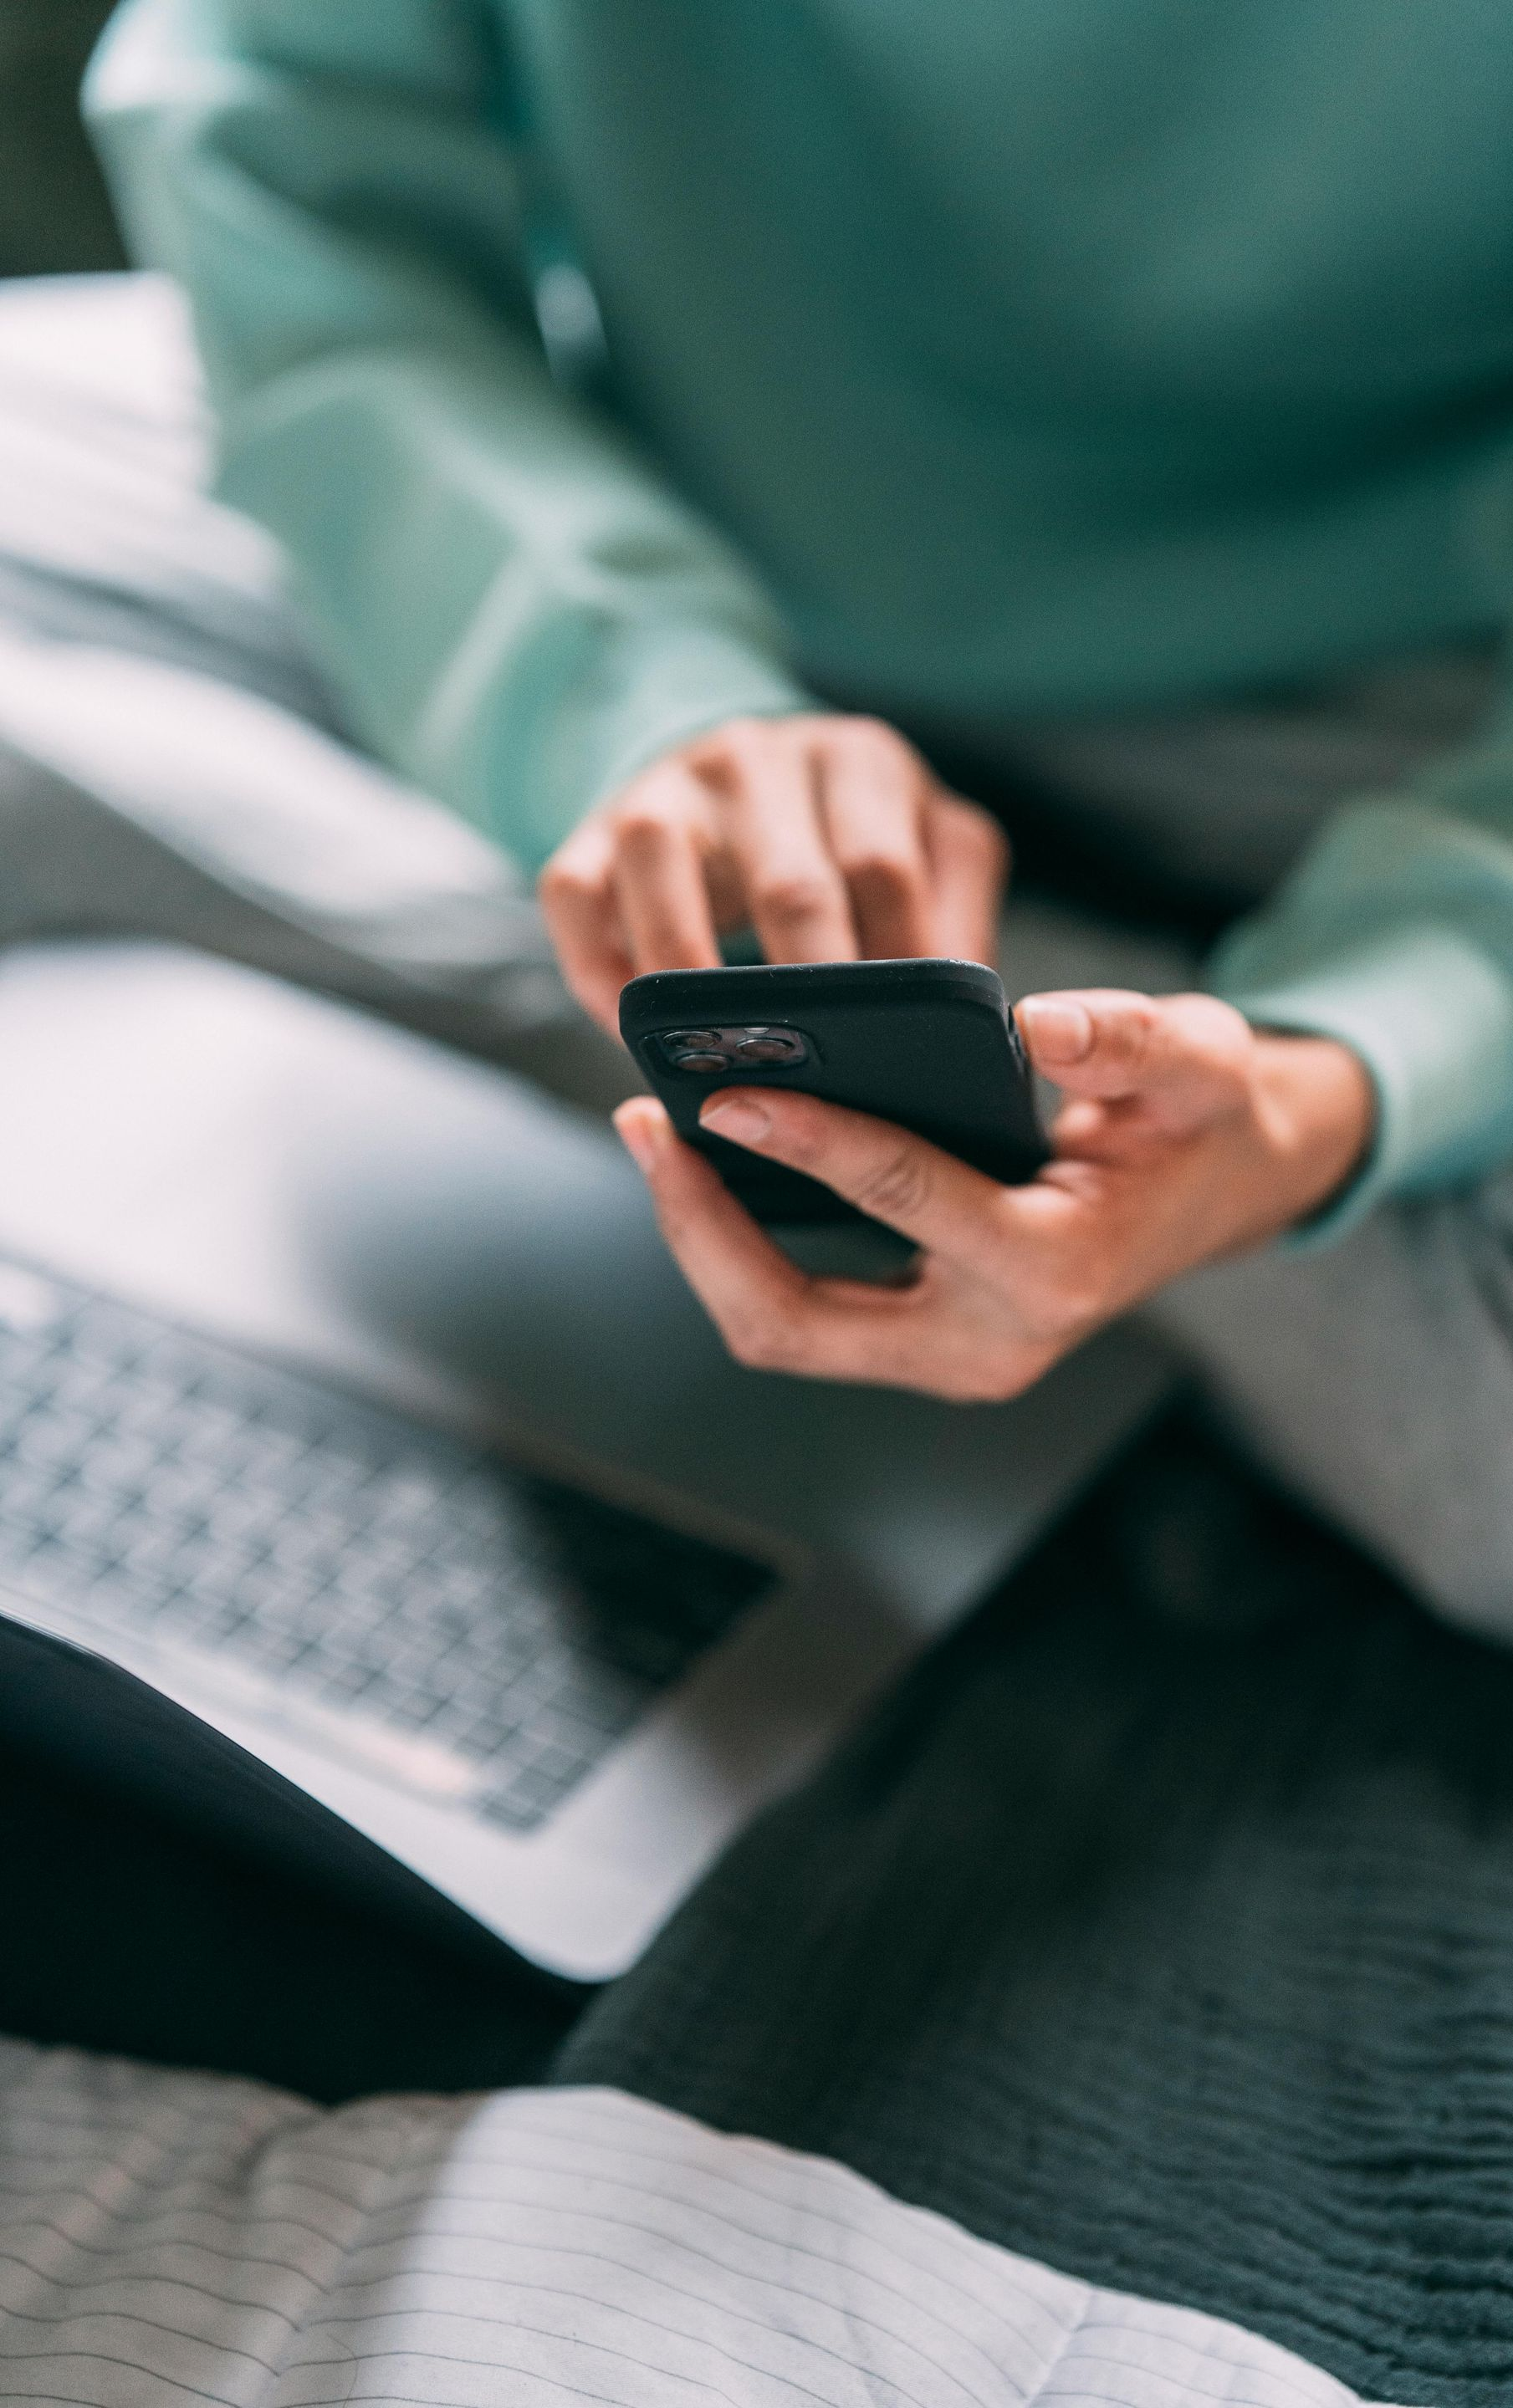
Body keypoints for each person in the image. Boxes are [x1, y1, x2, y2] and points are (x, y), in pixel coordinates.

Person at [85, 1, 1513, 1633]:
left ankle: (800, 1036)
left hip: (1405, 698)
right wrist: (634, 698)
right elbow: (271, 131)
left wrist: (1342, 1071)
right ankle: (936, 1062)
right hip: (633, 529)